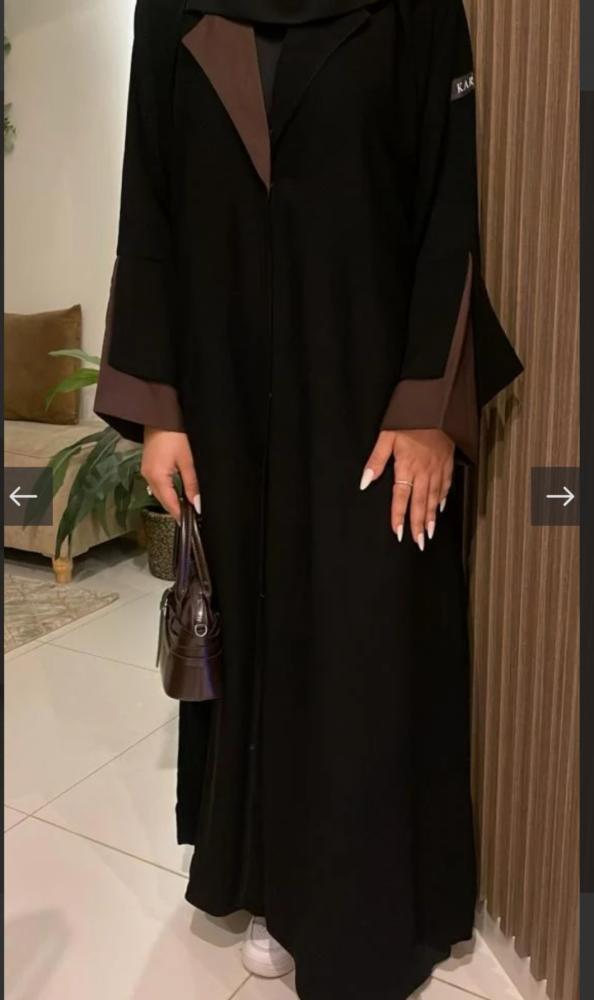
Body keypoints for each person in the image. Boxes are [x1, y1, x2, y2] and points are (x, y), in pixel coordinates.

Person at [95, 1, 523, 997]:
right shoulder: (172, 8)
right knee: (255, 631)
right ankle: (269, 885)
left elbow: (447, 203)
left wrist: (427, 404)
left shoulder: (418, 9)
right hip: (225, 389)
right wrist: (161, 410)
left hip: (368, 389)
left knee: (363, 638)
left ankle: (359, 905)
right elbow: (148, 202)